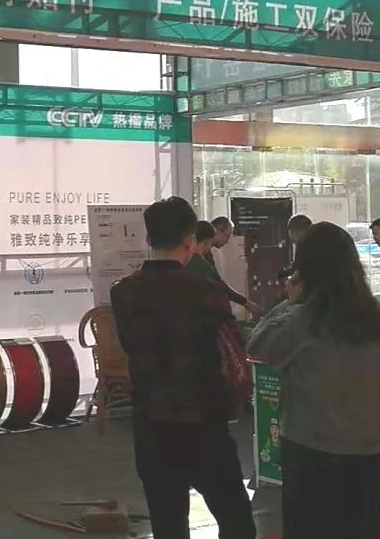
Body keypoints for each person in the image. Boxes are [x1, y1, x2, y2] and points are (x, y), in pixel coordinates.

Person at [111, 197, 256, 539]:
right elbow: (230, 353)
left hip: (151, 427)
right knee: (237, 522)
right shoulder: (208, 292)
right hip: (204, 425)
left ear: (149, 239)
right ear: (190, 241)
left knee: (168, 525)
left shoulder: (123, 293)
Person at [248, 222, 380, 539]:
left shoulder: (302, 319)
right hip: (368, 449)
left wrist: (290, 301)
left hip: (311, 450)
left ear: (305, 268)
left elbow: (257, 347)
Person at [190, 221, 264, 317]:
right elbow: (217, 284)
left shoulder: (204, 256)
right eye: (228, 236)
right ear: (217, 232)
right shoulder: (199, 260)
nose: (227, 241)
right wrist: (245, 302)